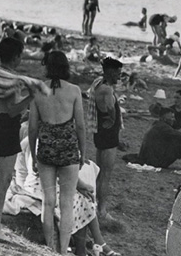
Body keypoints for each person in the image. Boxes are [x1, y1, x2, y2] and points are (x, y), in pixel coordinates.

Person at [0, 38, 47, 244]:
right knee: (4, 179)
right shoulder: (13, 80)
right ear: (16, 57)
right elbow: (12, 111)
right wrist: (30, 97)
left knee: (1, 178)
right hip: (7, 128)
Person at [28, 51, 85, 254]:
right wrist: (83, 152)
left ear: (47, 66)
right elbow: (80, 127)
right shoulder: (74, 90)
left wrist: (33, 156)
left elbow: (32, 127)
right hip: (69, 148)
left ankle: (50, 248)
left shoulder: (37, 90)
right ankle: (62, 249)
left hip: (46, 148)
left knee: (48, 201)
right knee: (67, 202)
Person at [90, 57, 123, 221]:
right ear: (110, 72)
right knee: (105, 174)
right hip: (108, 133)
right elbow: (110, 107)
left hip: (100, 131)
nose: (119, 76)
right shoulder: (107, 90)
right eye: (118, 73)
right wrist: (112, 118)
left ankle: (95, 207)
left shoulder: (98, 82)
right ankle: (101, 211)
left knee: (100, 171)